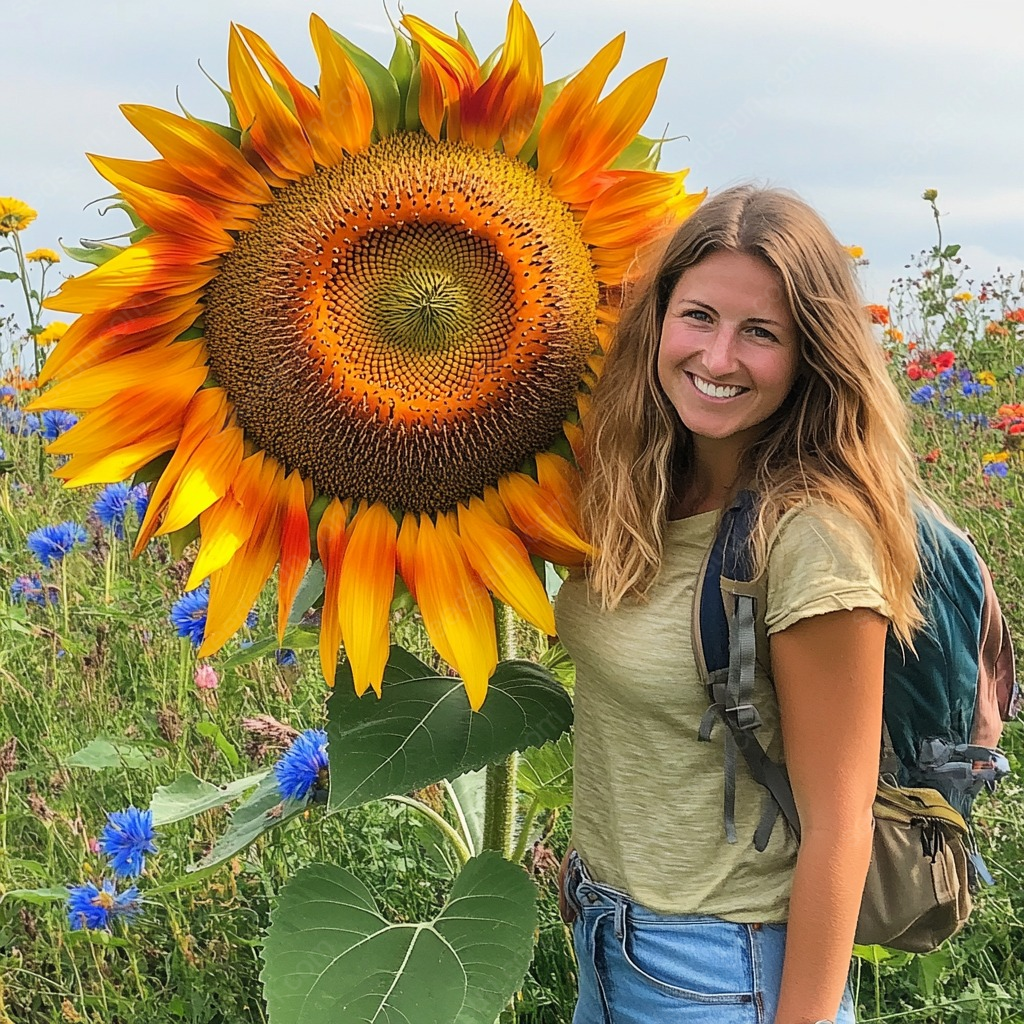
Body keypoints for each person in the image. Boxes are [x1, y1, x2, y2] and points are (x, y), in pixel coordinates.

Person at [555, 185, 925, 1024]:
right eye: (698, 317)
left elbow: (840, 828)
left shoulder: (812, 540)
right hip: (610, 938)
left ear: (810, 355)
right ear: (657, 322)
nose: (718, 358)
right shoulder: (635, 487)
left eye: (761, 333)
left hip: (728, 972)